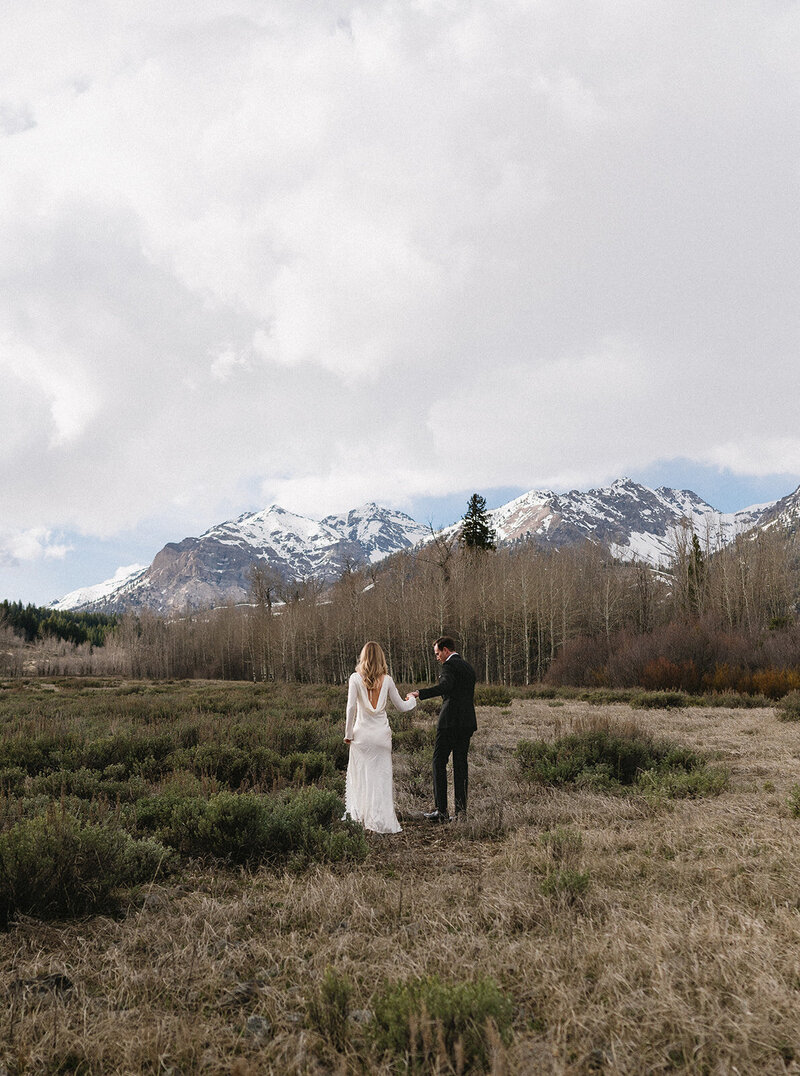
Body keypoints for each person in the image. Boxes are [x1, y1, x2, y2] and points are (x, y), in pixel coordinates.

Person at [343, 641, 416, 834]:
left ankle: (360, 817)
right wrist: (413, 699)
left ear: (363, 657)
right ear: (382, 658)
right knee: (381, 780)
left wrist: (348, 734)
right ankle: (382, 820)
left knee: (361, 777)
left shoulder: (354, 678)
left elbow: (351, 708)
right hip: (382, 737)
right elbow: (402, 706)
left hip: (362, 737)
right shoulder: (388, 680)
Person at [407, 636, 477, 822]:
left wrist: (420, 693)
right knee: (460, 765)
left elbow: (445, 686)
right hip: (467, 722)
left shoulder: (448, 666)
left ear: (446, 650)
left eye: (438, 653)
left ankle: (441, 811)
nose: (437, 657)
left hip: (449, 723)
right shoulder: (468, 667)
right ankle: (461, 813)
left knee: (439, 762)